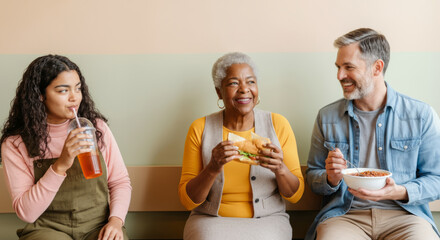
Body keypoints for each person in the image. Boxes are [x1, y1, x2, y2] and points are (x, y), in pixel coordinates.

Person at [305, 28, 440, 240]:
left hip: (405, 216)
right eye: (338, 67)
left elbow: (437, 179)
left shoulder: (420, 115)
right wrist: (330, 178)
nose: (340, 75)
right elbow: (313, 175)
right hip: (345, 216)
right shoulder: (327, 116)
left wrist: (400, 191)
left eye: (348, 67)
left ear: (377, 68)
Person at [1, 55, 132, 240]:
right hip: (46, 229)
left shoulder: (97, 128)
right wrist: (60, 165)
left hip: (98, 225)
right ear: (40, 95)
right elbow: (26, 213)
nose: (74, 98)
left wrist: (116, 222)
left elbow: (120, 182)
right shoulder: (15, 143)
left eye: (78, 89)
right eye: (63, 90)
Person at [178, 52, 304, 240]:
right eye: (233, 83)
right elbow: (188, 201)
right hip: (210, 220)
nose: (244, 89)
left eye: (251, 82)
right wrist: (212, 168)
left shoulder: (278, 124)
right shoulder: (200, 128)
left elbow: (295, 195)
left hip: (268, 220)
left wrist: (280, 169)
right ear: (219, 91)